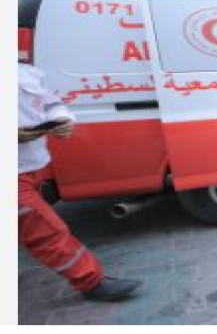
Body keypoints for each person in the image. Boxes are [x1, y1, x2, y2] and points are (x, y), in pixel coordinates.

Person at [19, 61, 142, 302]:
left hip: (34, 163)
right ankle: (90, 281)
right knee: (46, 230)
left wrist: (62, 120)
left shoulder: (26, 71)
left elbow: (51, 103)